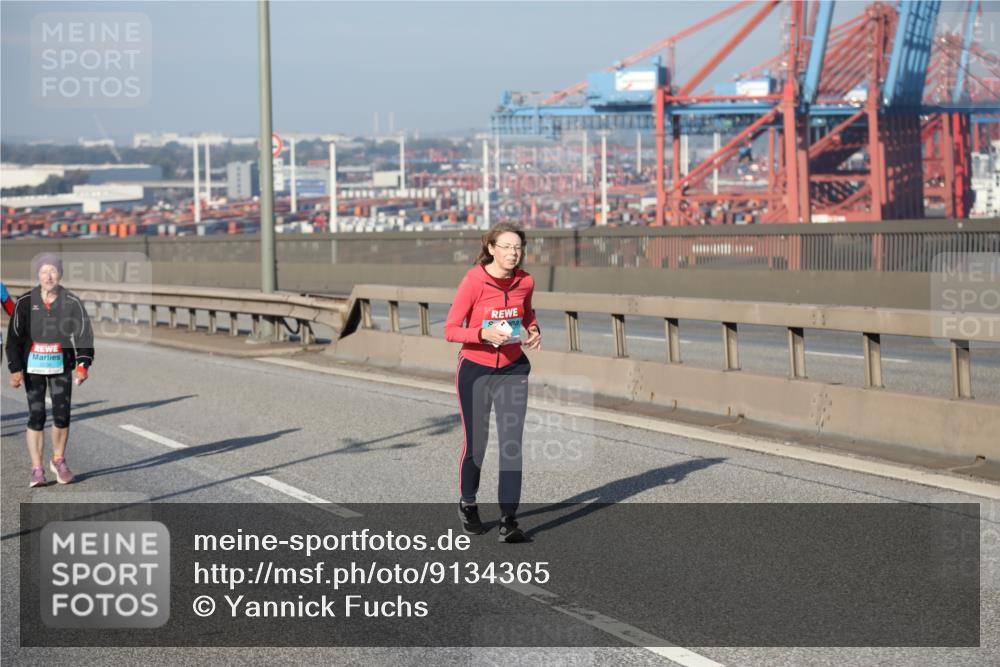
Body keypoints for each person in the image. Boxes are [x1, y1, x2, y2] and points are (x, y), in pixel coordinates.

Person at [444, 223, 541, 543]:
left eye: (518, 248)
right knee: (478, 443)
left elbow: (527, 313)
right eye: (507, 247)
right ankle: (468, 503)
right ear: (491, 249)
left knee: (511, 446)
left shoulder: (525, 281)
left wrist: (534, 329)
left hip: (513, 369)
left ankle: (508, 520)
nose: (513, 253)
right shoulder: (474, 279)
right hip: (475, 369)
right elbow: (451, 329)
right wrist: (482, 334)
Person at [6, 254, 94, 487]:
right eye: (44, 271)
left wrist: (83, 364)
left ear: (60, 275)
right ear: (38, 275)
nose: (48, 276)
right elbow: (13, 339)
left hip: (61, 366)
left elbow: (84, 335)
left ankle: (58, 459)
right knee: (37, 416)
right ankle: (37, 468)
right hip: (33, 367)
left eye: (53, 271)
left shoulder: (72, 302)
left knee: (62, 415)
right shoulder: (25, 302)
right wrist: (15, 368)